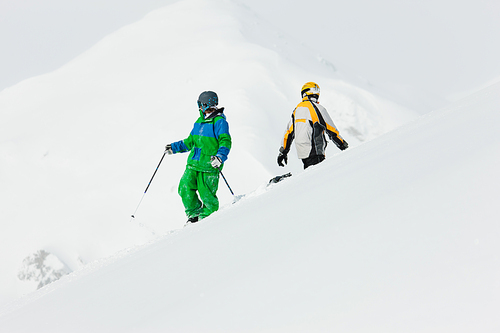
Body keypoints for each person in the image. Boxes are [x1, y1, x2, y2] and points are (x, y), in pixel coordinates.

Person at [165, 91, 231, 223]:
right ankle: (194, 215)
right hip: (193, 164)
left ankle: (207, 218)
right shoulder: (199, 122)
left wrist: (220, 157)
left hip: (208, 166)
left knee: (207, 195)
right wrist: (174, 147)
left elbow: (225, 141)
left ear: (205, 104)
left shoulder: (219, 122)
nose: (199, 108)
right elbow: (190, 142)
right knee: (184, 187)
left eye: (200, 105)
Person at [277, 82, 348, 169]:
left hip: (302, 152)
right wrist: (344, 146)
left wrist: (283, 152)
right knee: (318, 178)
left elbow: (289, 133)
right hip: (315, 152)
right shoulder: (317, 108)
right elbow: (332, 130)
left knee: (310, 175)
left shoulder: (297, 109)